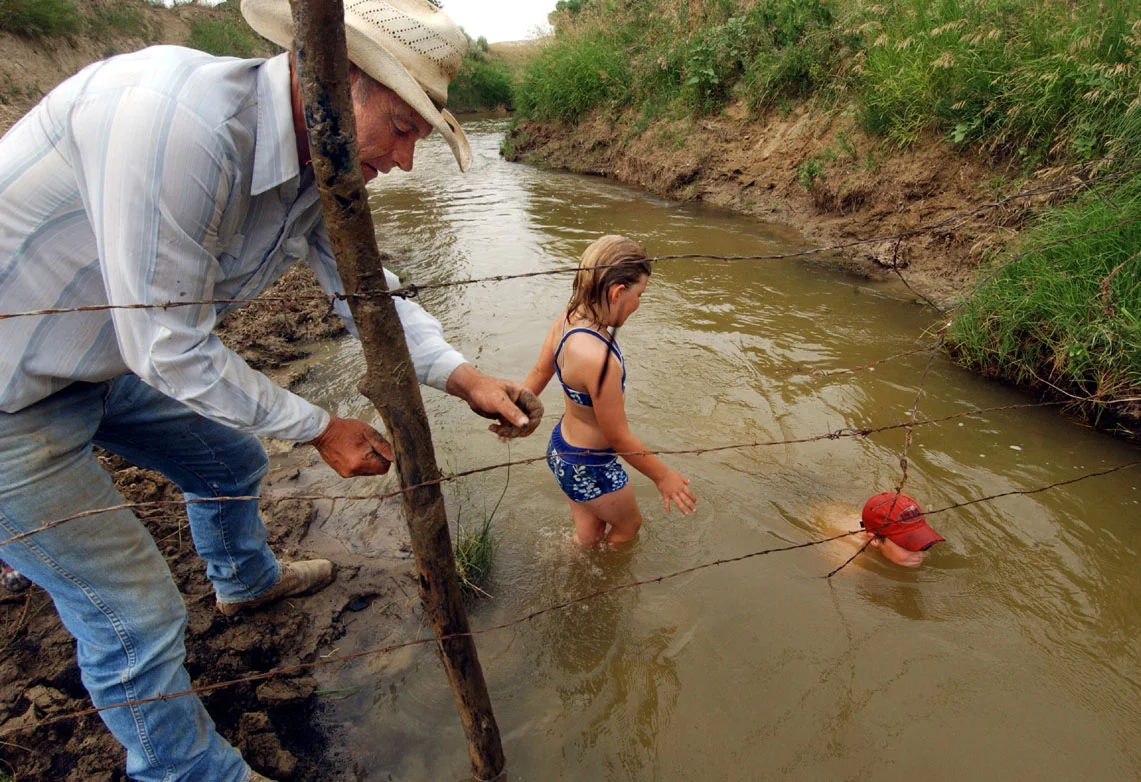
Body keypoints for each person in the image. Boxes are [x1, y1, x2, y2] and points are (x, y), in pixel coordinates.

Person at [0, 1, 539, 779]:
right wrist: (318, 425)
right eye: (403, 127)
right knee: (132, 614)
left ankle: (245, 585)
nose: (407, 160)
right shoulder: (180, 129)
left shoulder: (315, 161)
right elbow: (167, 344)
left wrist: (465, 376)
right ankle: (185, 771)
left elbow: (363, 294)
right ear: (336, 80)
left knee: (227, 461)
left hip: (93, 359)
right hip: (13, 391)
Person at [519, 235, 697, 547]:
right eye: (639, 294)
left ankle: (578, 570)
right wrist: (662, 476)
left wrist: (515, 413)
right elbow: (619, 438)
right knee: (629, 527)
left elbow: (538, 373)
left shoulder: (566, 321)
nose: (639, 303)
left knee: (588, 536)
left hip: (561, 450)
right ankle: (605, 589)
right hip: (592, 465)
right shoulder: (600, 360)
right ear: (617, 292)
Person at [816, 492, 946, 569]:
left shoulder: (908, 514)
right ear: (875, 540)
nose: (921, 553)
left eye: (925, 543)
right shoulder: (848, 561)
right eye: (909, 544)